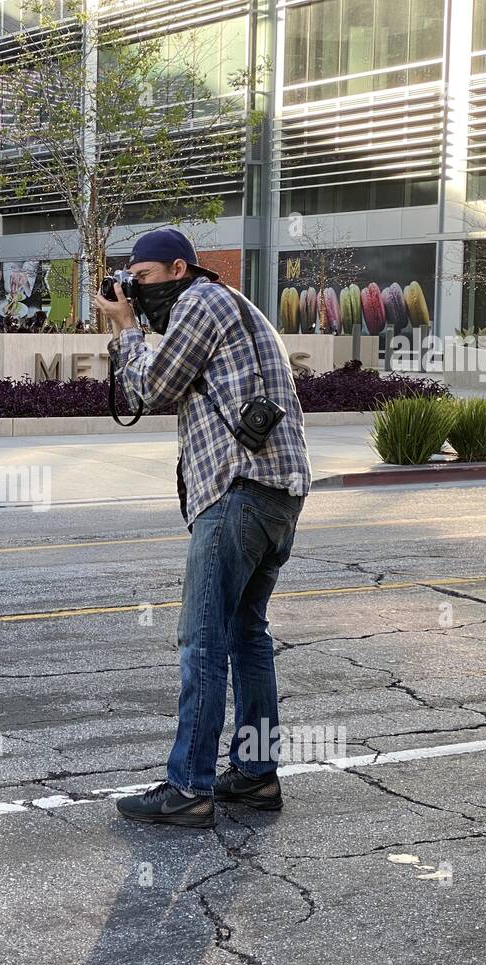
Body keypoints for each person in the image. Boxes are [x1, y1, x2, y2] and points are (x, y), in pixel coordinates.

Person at [91, 228, 311, 828]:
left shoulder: (199, 302)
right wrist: (137, 323)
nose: (134, 289)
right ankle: (258, 776)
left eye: (143, 279)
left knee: (203, 641)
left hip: (236, 492)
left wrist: (126, 329)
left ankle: (190, 786)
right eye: (129, 280)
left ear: (179, 269)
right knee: (247, 636)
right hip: (276, 495)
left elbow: (151, 386)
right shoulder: (226, 305)